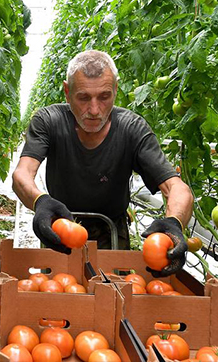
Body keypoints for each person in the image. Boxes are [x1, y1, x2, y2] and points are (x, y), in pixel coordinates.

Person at [12, 50, 193, 277]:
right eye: (84, 97)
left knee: (113, 301)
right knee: (59, 299)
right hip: (61, 227)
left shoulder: (132, 129)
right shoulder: (49, 121)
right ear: (67, 92)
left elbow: (177, 188)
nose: (94, 110)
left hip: (113, 232)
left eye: (104, 96)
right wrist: (40, 202)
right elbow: (22, 174)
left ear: (116, 90)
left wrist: (174, 222)